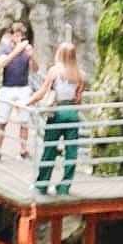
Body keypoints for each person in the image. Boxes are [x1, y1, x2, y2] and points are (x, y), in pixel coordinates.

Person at [26, 41, 85, 195]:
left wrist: (27, 102)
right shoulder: (80, 74)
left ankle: (42, 185)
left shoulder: (54, 71)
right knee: (71, 151)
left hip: (57, 112)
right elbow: (79, 98)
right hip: (72, 113)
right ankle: (64, 187)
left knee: (50, 149)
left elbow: (43, 92)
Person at [0, 21, 35, 160]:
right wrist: (16, 50)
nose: (19, 37)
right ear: (11, 35)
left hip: (23, 87)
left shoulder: (26, 50)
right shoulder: (5, 49)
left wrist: (31, 56)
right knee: (2, 121)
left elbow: (36, 68)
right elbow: (2, 63)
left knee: (24, 121)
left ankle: (23, 150)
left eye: (21, 35)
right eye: (16, 35)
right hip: (7, 88)